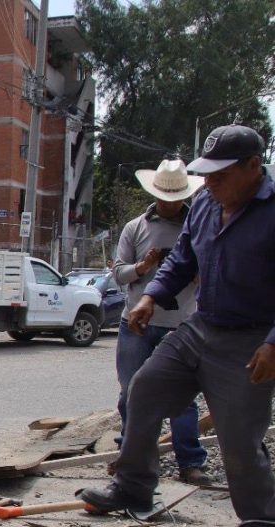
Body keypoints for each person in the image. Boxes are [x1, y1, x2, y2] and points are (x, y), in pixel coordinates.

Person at [79, 124, 275, 527]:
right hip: (201, 326)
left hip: (252, 337)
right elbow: (182, 259)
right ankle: (133, 487)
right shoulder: (206, 202)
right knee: (144, 389)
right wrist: (150, 296)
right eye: (206, 175)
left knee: (239, 435)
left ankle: (262, 525)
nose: (210, 184)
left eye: (221, 175)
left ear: (254, 166)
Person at [112, 159, 209, 485]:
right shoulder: (135, 228)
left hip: (181, 325)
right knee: (131, 392)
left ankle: (190, 462)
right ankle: (131, 458)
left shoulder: (197, 226)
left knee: (182, 397)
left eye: (177, 196)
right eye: (165, 195)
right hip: (136, 324)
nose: (171, 202)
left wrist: (200, 276)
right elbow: (118, 273)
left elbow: (212, 271)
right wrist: (143, 266)